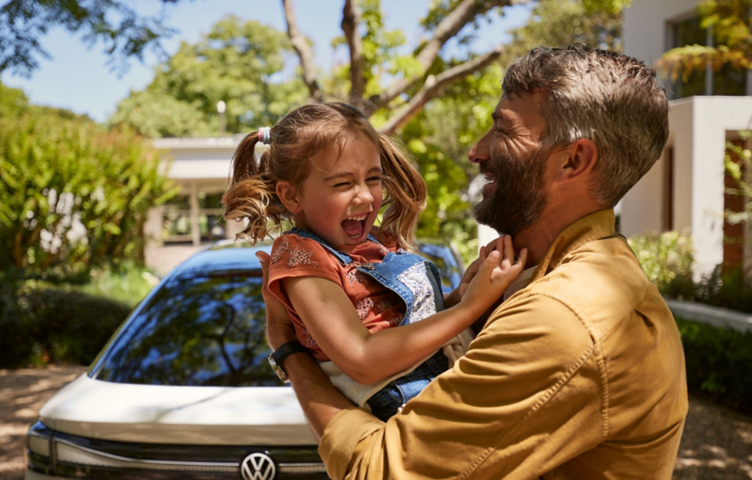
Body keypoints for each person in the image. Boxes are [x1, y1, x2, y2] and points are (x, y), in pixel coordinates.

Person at [259, 44, 689, 479]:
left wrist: (289, 350)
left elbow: (379, 469)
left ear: (573, 160)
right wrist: (462, 302)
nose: (477, 151)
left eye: (503, 131)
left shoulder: (564, 319)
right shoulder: (547, 277)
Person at [222, 102, 527, 421]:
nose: (366, 197)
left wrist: (457, 297)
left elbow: (400, 323)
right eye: (343, 184)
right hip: (396, 403)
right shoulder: (302, 257)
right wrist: (471, 308)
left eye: (373, 178)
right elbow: (363, 359)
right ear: (291, 196)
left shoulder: (377, 242)